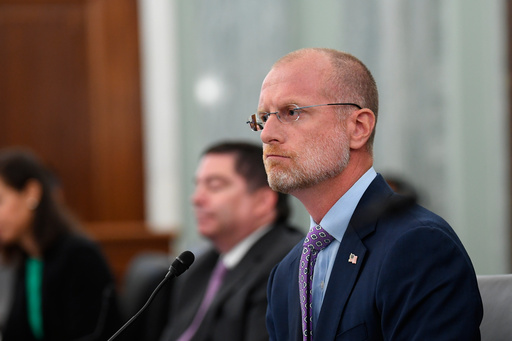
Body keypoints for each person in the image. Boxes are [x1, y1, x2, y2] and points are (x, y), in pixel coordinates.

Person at [247, 48, 483, 340]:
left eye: (291, 112)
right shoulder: (286, 273)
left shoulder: (418, 245)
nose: (266, 134)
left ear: (358, 127)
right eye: (262, 118)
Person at [159, 141, 303, 341]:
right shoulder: (198, 266)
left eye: (214, 186)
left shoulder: (286, 264)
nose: (196, 199)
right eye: (198, 185)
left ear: (262, 201)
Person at [0, 148, 122, 341]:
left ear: (32, 193)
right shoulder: (28, 259)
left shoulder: (80, 256)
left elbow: (91, 335)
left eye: (0, 201)